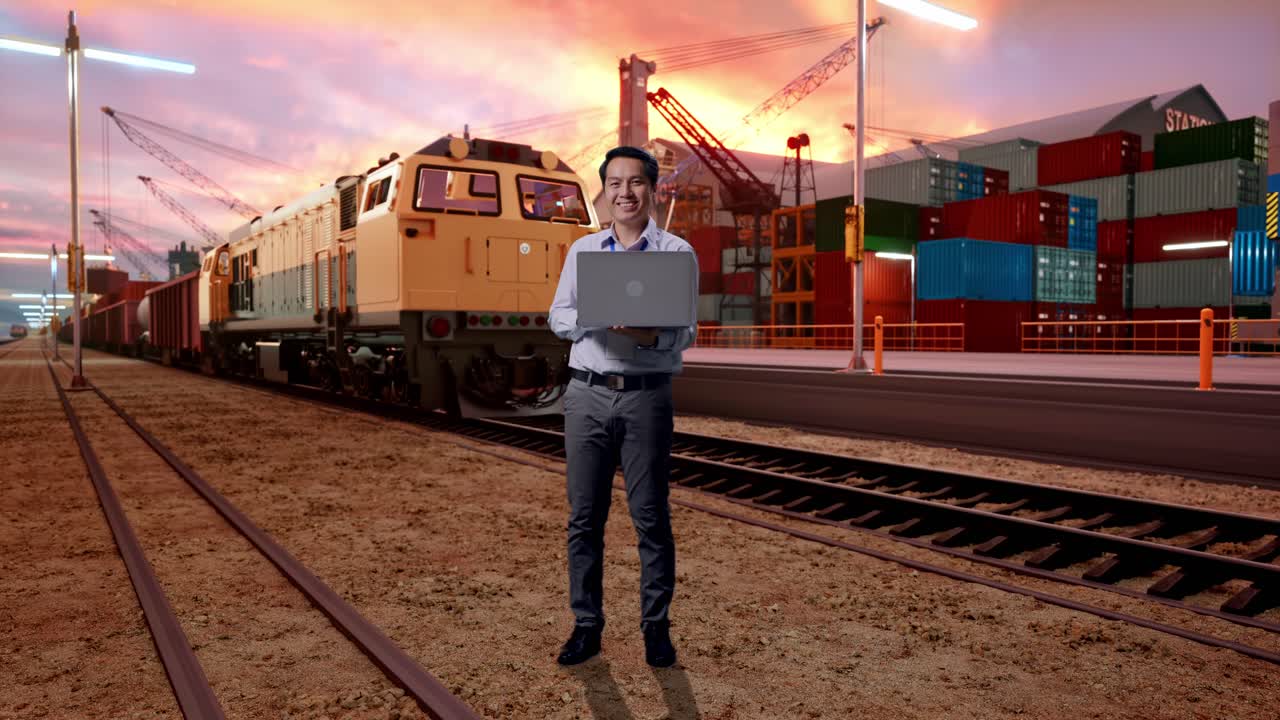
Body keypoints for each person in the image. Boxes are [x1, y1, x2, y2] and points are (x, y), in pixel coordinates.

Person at [548, 146, 697, 667]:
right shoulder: (583, 251)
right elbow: (557, 317)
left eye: (635, 182)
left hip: (646, 397)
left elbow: (685, 332)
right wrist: (594, 316)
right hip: (586, 394)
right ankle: (586, 627)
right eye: (615, 183)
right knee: (584, 518)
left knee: (650, 516)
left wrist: (647, 334)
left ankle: (656, 629)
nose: (625, 192)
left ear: (652, 189)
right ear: (605, 191)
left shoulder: (676, 253)